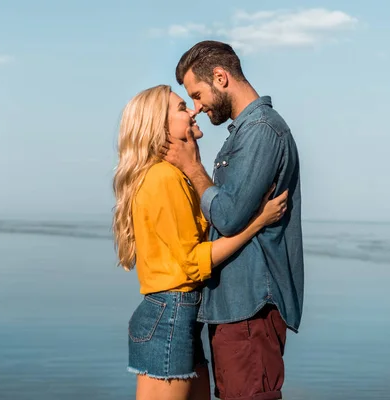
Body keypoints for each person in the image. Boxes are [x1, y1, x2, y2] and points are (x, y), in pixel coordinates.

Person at [112, 84, 288, 400]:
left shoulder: (172, 175)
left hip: (176, 313)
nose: (193, 109)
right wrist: (257, 223)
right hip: (171, 314)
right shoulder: (164, 178)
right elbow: (192, 262)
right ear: (159, 126)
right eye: (181, 107)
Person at [162, 40, 304, 400]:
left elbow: (227, 217)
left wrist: (192, 168)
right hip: (235, 309)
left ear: (221, 78)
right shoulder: (245, 133)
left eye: (196, 94)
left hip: (250, 308)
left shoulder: (261, 132)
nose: (196, 108)